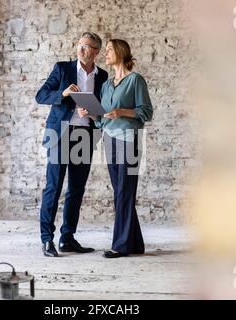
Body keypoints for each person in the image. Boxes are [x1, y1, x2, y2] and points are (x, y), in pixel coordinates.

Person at [35, 32, 108, 257]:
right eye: (79, 45)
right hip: (59, 133)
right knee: (53, 188)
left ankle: (68, 238)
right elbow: (41, 95)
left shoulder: (103, 76)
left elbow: (102, 107)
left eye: (87, 47)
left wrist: (94, 113)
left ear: (96, 52)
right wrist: (64, 93)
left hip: (84, 134)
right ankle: (47, 240)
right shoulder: (62, 69)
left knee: (76, 189)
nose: (81, 50)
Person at [78, 39, 153, 258]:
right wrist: (90, 114)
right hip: (109, 140)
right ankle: (136, 244)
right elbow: (102, 120)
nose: (106, 53)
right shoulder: (107, 85)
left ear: (120, 52)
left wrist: (122, 112)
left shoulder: (135, 80)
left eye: (109, 49)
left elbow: (146, 112)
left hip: (128, 140)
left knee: (124, 192)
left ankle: (119, 246)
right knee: (122, 192)